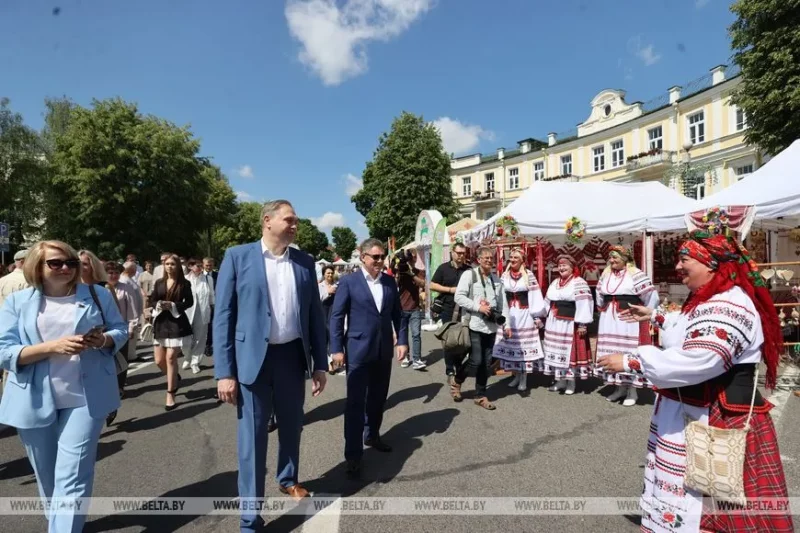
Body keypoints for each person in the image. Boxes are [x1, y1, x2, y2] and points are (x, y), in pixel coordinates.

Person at [597, 229, 793, 533]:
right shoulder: (709, 298)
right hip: (691, 412)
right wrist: (654, 315)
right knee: (686, 491)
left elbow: (703, 357)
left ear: (712, 263)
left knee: (711, 500)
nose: (677, 266)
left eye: (685, 259)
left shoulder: (730, 304)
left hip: (714, 419)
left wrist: (632, 360)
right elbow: (688, 328)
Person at [213, 200, 328, 532]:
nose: (295, 225)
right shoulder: (238, 257)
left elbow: (313, 317)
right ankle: (250, 518)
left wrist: (319, 363)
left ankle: (288, 478)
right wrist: (224, 372)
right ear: (267, 221)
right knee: (252, 440)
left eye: (296, 221)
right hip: (253, 364)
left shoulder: (305, 262)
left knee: (292, 427)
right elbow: (223, 318)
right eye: (289, 219)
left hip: (292, 357)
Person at [0, 240, 128, 533]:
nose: (65, 268)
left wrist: (104, 340)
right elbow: (3, 351)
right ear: (37, 266)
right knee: (47, 477)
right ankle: (58, 522)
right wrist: (51, 348)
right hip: (31, 399)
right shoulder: (18, 302)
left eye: (70, 263)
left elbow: (120, 329)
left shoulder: (96, 294)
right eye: (55, 263)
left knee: (72, 476)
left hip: (86, 398)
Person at [329, 238, 408, 480]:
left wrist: (402, 340)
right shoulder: (349, 282)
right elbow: (336, 316)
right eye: (375, 257)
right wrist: (336, 348)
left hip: (383, 349)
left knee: (378, 397)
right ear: (363, 257)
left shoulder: (388, 282)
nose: (379, 261)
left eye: (382, 257)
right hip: (358, 350)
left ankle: (372, 435)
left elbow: (398, 314)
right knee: (355, 403)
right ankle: (353, 455)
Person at [593, 245, 659, 407]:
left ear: (625, 259)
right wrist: (603, 308)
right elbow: (599, 295)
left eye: (615, 257)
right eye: (610, 257)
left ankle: (632, 390)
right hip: (609, 317)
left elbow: (651, 296)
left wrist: (644, 314)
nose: (611, 260)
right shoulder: (606, 274)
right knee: (612, 349)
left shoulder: (636, 274)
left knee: (627, 350)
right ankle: (619, 388)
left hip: (627, 318)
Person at [453, 246, 508, 409]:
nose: (489, 261)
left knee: (486, 363)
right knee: (475, 360)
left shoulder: (497, 280)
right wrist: (478, 307)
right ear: (478, 260)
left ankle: (480, 395)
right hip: (474, 324)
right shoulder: (469, 275)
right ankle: (457, 381)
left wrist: (507, 324)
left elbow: (503, 304)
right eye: (486, 258)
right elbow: (459, 297)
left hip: (491, 327)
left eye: (491, 258)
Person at [491, 247, 546, 392]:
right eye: (512, 257)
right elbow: (499, 295)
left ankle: (524, 378)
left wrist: (536, 315)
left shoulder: (528, 275)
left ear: (522, 260)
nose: (513, 260)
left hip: (524, 314)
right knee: (511, 345)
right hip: (510, 313)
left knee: (522, 346)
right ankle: (515, 375)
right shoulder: (505, 275)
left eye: (516, 258)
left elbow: (535, 296)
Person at [542, 254, 594, 395]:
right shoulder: (555, 283)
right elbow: (547, 301)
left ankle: (571, 382)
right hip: (554, 321)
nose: (561, 267)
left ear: (572, 267)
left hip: (569, 323)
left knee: (568, 352)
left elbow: (585, 304)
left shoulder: (579, 282)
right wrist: (541, 316)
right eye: (559, 265)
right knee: (556, 351)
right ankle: (560, 380)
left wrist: (583, 324)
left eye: (565, 265)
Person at [148, 254, 193, 411]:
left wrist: (174, 305)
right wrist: (159, 304)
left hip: (177, 322)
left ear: (177, 266)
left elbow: (189, 302)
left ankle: (170, 393)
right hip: (160, 322)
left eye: (172, 264)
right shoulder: (159, 283)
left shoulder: (184, 283)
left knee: (171, 357)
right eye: (167, 264)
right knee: (159, 360)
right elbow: (152, 300)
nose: (169, 266)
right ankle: (174, 377)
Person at [103, 261, 139, 425]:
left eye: (116, 272)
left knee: (119, 365)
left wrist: (131, 327)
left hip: (120, 332)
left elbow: (132, 310)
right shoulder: (99, 289)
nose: (113, 275)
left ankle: (115, 397)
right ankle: (107, 402)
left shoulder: (126, 288)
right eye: (109, 272)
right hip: (102, 333)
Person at [430, 243, 471, 385]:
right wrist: (450, 290)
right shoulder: (443, 268)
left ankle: (458, 363)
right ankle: (450, 369)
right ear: (452, 253)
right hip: (447, 309)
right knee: (449, 341)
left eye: (463, 253)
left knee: (465, 340)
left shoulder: (469, 270)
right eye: (458, 253)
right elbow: (432, 285)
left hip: (465, 310)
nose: (461, 256)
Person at [394, 250, 427, 370]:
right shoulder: (401, 272)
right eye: (410, 257)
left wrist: (411, 273)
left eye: (413, 257)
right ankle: (405, 357)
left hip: (415, 308)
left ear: (415, 259)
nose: (411, 260)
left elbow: (423, 284)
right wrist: (398, 272)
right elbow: (394, 285)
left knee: (416, 334)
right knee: (403, 334)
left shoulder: (419, 272)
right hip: (401, 308)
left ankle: (417, 359)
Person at [183, 259, 214, 374]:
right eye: (198, 265)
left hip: (202, 311)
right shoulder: (184, 279)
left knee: (200, 338)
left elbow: (211, 296)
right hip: (187, 312)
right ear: (190, 266)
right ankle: (187, 356)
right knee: (184, 339)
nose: (200, 268)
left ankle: (195, 362)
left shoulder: (207, 279)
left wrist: (213, 308)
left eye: (201, 266)